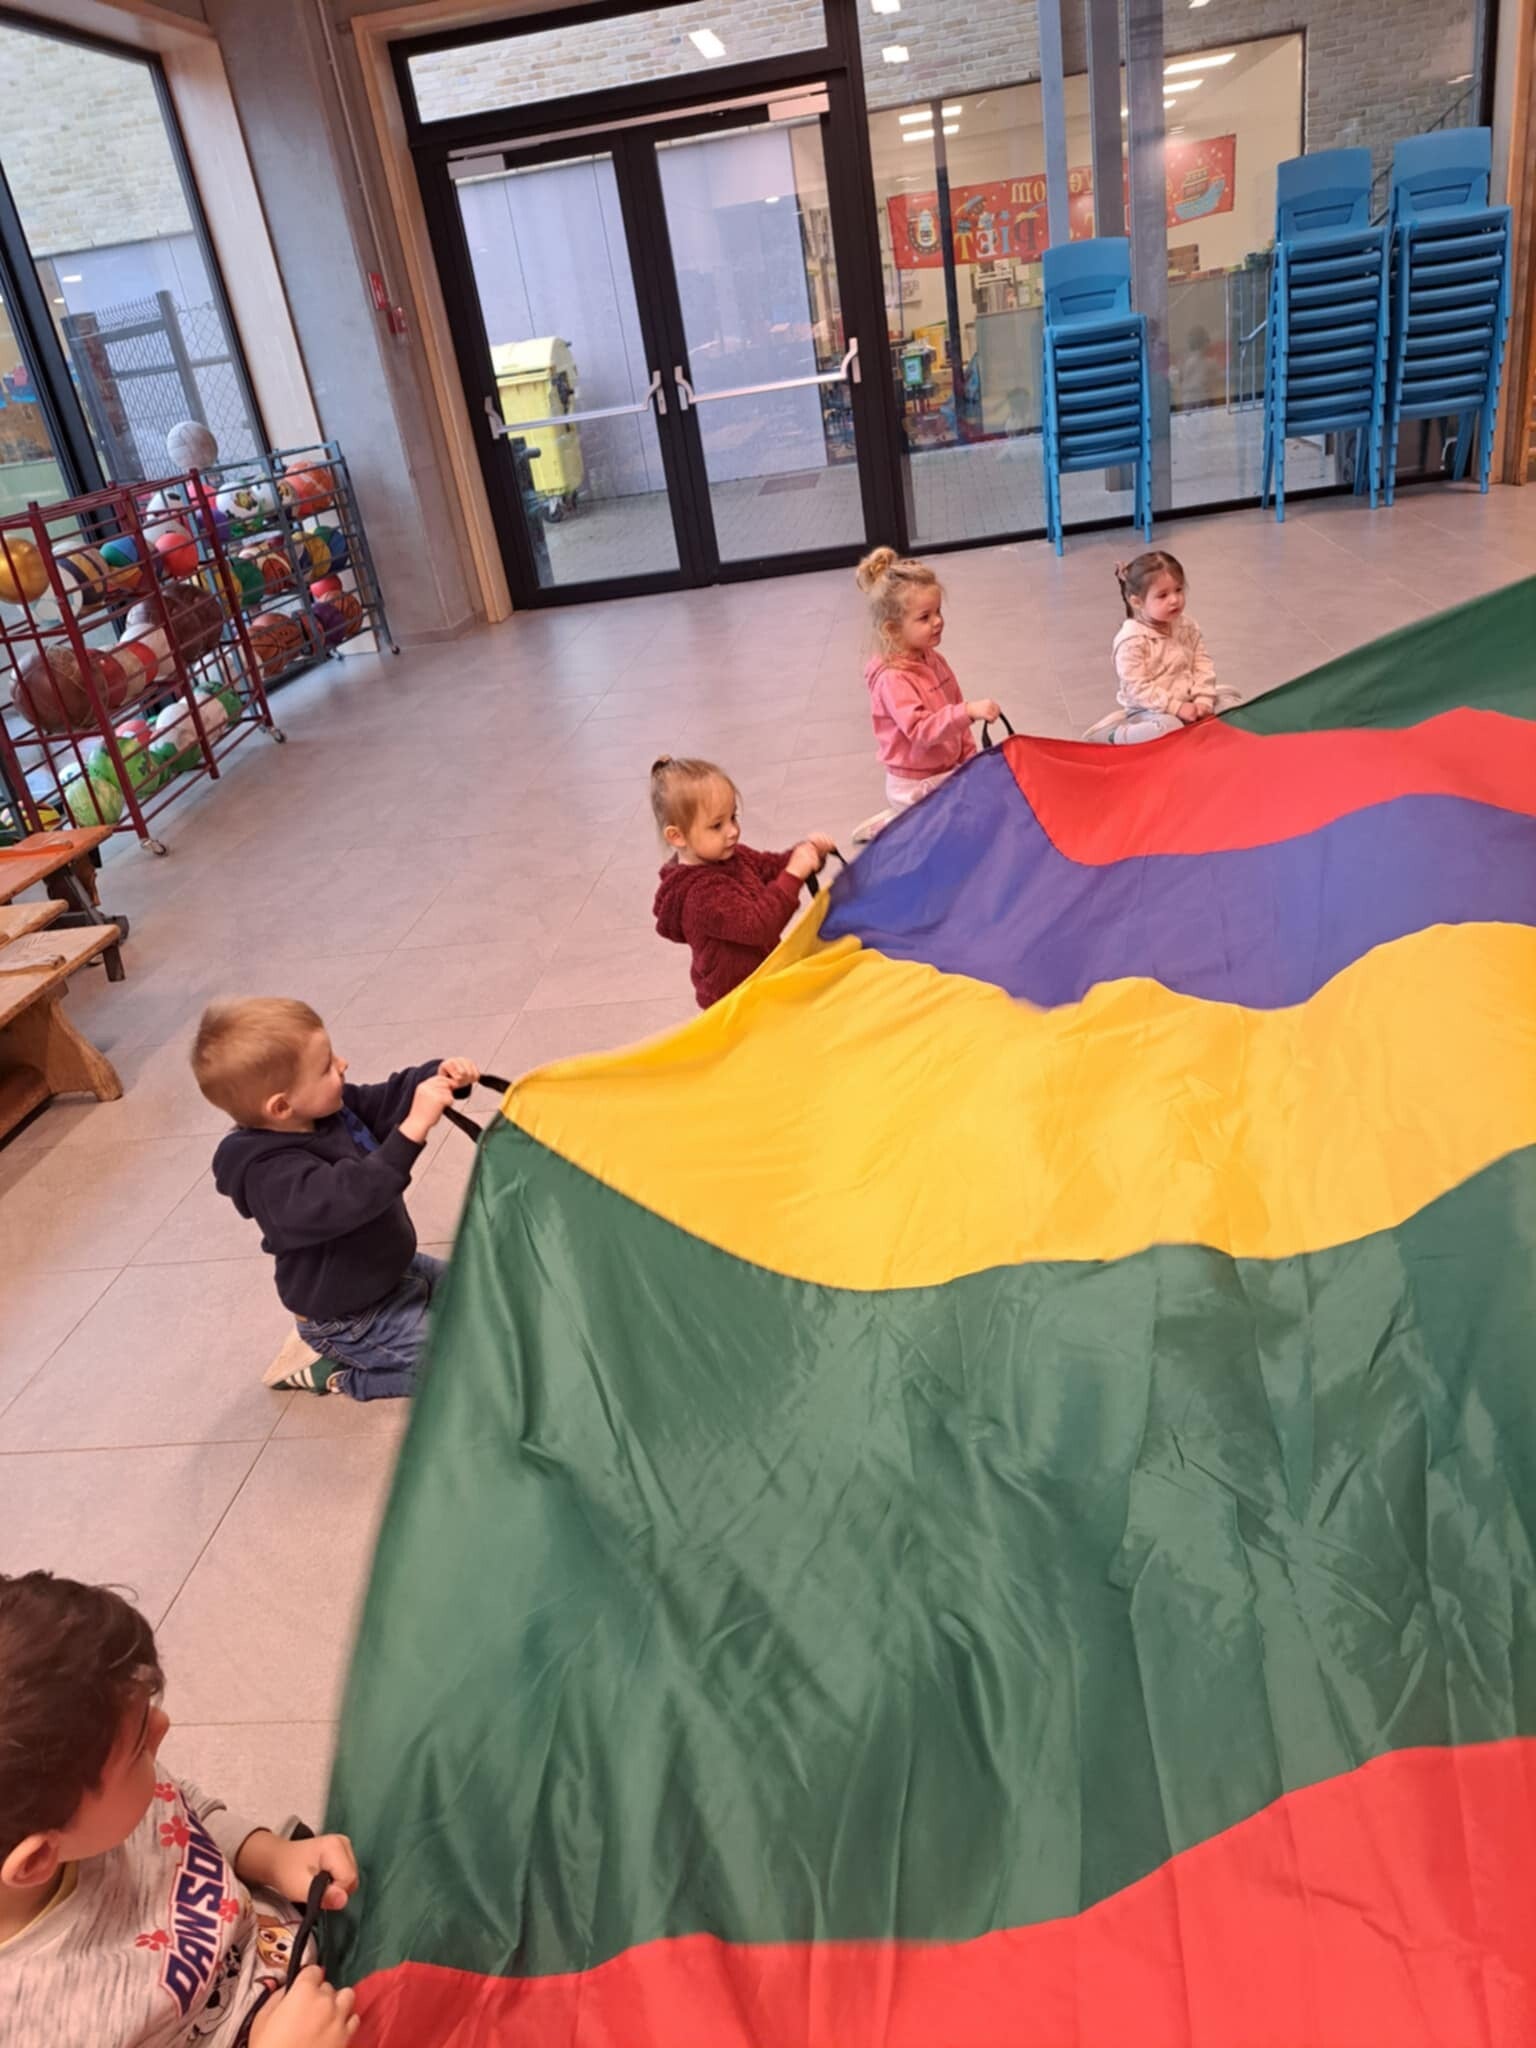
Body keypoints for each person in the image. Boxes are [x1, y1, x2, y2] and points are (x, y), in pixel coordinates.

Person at [0, 1569, 360, 2047]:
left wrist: (273, 1856)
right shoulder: (32, 2024)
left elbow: (182, 1810)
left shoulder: (84, 1801)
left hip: (293, 1947)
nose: (163, 1726)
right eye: (138, 1749)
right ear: (38, 1859)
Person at [191, 997, 479, 1400]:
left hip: (393, 1272)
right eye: (326, 1066)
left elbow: (387, 1099)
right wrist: (415, 1127)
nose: (343, 1064)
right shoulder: (269, 1176)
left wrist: (438, 1075)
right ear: (281, 1106)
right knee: (474, 1367)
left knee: (486, 1289)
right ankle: (336, 1373)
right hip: (350, 1320)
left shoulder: (327, 1111)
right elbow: (353, 1195)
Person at [651, 756, 834, 1010]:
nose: (732, 831)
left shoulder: (733, 856)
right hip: (735, 1004)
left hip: (764, 983)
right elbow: (757, 926)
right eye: (717, 825)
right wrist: (794, 873)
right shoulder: (700, 895)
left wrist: (808, 854)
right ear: (677, 836)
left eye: (733, 817)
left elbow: (773, 867)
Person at [850, 546, 1000, 843]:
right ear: (893, 630)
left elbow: (953, 708)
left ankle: (909, 820)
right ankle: (896, 824)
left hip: (943, 769)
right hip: (914, 784)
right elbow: (921, 730)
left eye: (938, 612)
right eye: (925, 617)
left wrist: (969, 759)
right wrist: (968, 711)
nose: (938, 621)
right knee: (946, 840)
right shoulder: (893, 679)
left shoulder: (932, 659)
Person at [1084, 549, 1240, 744]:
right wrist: (1176, 707)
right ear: (1137, 602)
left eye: (1179, 590)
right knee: (1169, 728)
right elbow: (1137, 689)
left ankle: (1195, 723)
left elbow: (1202, 664)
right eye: (1162, 595)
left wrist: (1203, 698)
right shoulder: (1131, 640)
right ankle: (1112, 735)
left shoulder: (1187, 626)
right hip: (1150, 709)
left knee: (1233, 706)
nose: (1174, 599)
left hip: (1189, 700)